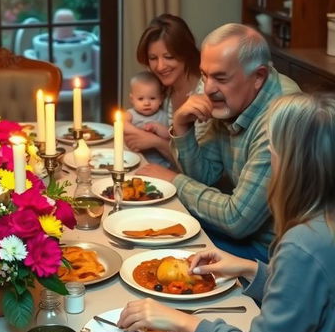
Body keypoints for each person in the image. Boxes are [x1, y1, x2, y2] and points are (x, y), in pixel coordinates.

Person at [120, 91, 335, 332]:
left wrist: (184, 322)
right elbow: (318, 299)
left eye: (274, 154)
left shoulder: (305, 244)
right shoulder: (322, 231)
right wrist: (253, 270)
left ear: (295, 166)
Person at [139, 23, 300, 261]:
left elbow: (237, 220)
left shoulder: (282, 118)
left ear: (258, 77)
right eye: (204, 75)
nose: (208, 88)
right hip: (242, 238)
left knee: (155, 249)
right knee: (149, 226)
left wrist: (173, 180)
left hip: (271, 257)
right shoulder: (235, 97)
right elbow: (205, 176)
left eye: (220, 78)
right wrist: (183, 128)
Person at [126, 13, 204, 163]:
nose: (160, 67)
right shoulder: (163, 91)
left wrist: (155, 142)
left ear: (186, 52)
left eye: (169, 57)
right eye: (153, 58)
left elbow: (200, 167)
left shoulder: (205, 92)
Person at [124, 71, 171, 167]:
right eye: (141, 99)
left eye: (152, 98)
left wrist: (156, 128)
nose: (146, 103)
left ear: (161, 99)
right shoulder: (131, 114)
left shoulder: (164, 116)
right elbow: (121, 124)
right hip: (134, 161)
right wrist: (141, 133)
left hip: (160, 164)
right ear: (132, 99)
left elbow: (170, 135)